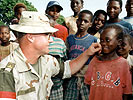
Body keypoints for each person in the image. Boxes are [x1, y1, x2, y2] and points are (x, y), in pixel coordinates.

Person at [0, 11, 101, 100]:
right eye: (47, 35)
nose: (51, 39)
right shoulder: (7, 72)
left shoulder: (47, 60)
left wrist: (88, 52)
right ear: (30, 37)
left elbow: (68, 69)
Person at [84, 24, 132, 100]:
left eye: (108, 40)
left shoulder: (123, 64)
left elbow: (127, 92)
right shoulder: (95, 61)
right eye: (102, 40)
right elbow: (88, 84)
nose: (103, 43)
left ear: (119, 42)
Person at [64, 10, 98, 100]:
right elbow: (65, 56)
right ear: (76, 21)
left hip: (86, 78)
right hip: (71, 78)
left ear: (90, 24)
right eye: (80, 20)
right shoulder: (70, 38)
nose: (82, 23)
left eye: (86, 21)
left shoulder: (93, 40)